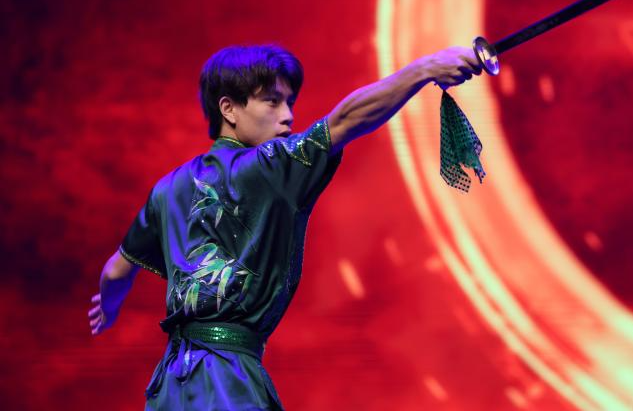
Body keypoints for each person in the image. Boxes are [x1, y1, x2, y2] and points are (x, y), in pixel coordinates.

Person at [88, 43, 483, 410]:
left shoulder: (166, 189)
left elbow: (115, 272)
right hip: (226, 380)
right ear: (229, 109)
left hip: (170, 387)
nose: (288, 115)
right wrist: (426, 68)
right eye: (272, 101)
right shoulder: (269, 166)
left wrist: (109, 308)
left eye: (290, 102)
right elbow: (346, 120)